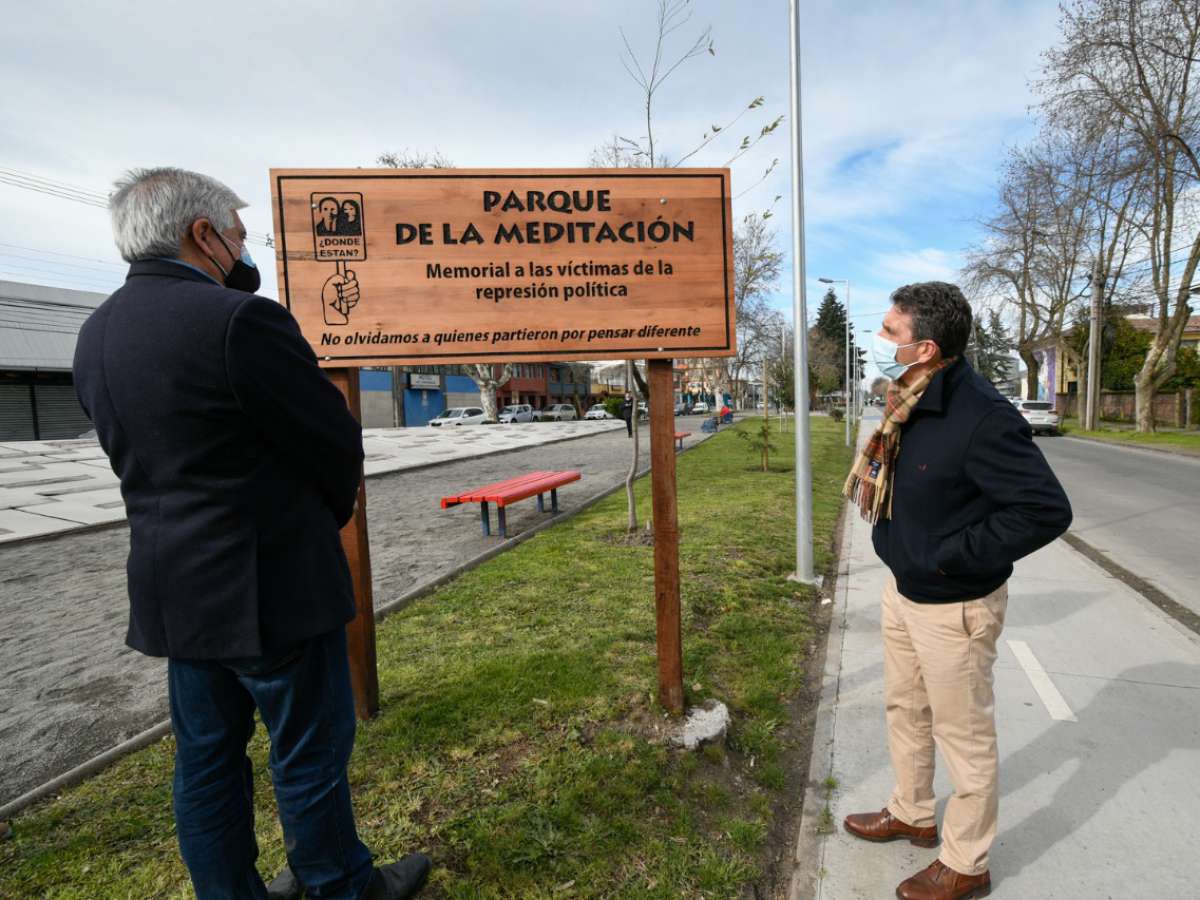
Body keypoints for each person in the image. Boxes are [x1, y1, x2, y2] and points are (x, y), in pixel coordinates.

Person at [73, 167, 430, 900]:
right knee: (307, 755)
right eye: (238, 233)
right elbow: (333, 444)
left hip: (176, 596)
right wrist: (318, 522)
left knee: (205, 764)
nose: (244, 247)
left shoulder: (96, 333)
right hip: (275, 591)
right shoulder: (241, 321)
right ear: (202, 235)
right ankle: (342, 887)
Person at [840, 282, 1071, 900]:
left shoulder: (980, 415)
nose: (880, 341)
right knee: (905, 710)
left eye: (890, 333)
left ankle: (967, 862)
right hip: (904, 592)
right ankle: (912, 812)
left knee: (963, 737)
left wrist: (949, 559)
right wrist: (909, 558)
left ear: (926, 348)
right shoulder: (907, 400)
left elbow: (1044, 510)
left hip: (955, 604)